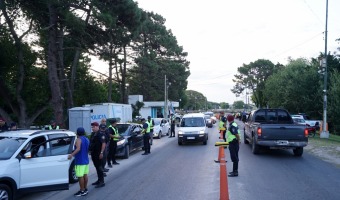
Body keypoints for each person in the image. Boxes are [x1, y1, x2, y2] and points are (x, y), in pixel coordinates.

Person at [68, 127, 90, 196]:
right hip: (86, 160)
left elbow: (78, 149)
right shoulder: (86, 139)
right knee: (85, 175)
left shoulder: (78, 139)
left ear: (77, 133)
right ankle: (85, 188)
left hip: (80, 161)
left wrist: (71, 155)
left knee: (80, 176)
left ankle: (82, 190)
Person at [89, 122, 106, 188]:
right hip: (94, 153)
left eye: (93, 127)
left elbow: (103, 144)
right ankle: (99, 180)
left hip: (99, 153)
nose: (92, 128)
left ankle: (102, 182)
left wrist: (101, 153)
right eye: (92, 127)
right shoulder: (93, 134)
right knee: (97, 167)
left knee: (100, 167)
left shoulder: (101, 134)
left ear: (97, 127)